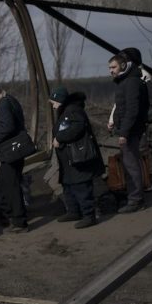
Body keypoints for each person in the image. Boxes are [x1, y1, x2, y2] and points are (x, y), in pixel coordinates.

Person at [50, 88, 103, 229]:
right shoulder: (68, 110)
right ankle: (73, 211)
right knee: (68, 184)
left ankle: (89, 216)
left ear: (60, 101)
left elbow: (78, 127)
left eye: (54, 102)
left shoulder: (73, 110)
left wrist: (59, 138)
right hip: (69, 158)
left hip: (78, 157)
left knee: (81, 185)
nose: (53, 105)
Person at [0, 80, 29, 232]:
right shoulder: (10, 101)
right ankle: (5, 215)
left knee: (12, 185)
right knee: (3, 182)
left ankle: (19, 221)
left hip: (11, 152)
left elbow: (7, 126)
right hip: (11, 152)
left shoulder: (4, 103)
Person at [110, 53, 150, 214]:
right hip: (130, 130)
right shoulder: (127, 82)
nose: (110, 71)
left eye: (113, 67)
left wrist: (124, 133)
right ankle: (134, 197)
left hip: (131, 131)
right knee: (130, 163)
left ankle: (136, 200)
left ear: (124, 66)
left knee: (131, 164)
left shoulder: (131, 83)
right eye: (109, 68)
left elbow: (132, 110)